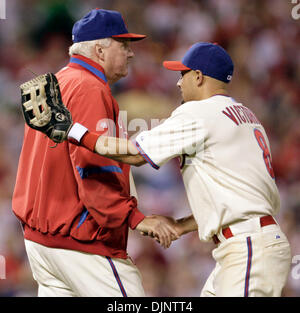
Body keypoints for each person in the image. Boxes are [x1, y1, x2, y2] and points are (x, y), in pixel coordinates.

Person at [63, 42, 292, 297]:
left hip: (248, 247)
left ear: (198, 76)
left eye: (182, 74)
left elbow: (135, 154)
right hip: (252, 243)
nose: (178, 83)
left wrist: (74, 131)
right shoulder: (247, 117)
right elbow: (239, 198)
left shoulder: (199, 112)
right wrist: (182, 225)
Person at [12, 9, 178, 297]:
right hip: (80, 243)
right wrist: (134, 218)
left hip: (41, 243)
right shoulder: (90, 88)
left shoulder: (58, 81)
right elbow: (94, 167)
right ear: (100, 50)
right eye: (123, 45)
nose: (131, 54)